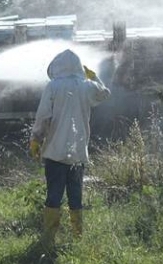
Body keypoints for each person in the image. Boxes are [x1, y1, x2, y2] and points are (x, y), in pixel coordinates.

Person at [30, 49, 110, 252]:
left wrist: (36, 139)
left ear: (57, 66)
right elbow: (104, 94)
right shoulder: (87, 86)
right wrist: (95, 77)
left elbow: (42, 117)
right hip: (77, 154)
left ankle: (49, 239)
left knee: (53, 195)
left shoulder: (53, 86)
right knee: (76, 196)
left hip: (55, 152)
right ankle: (77, 237)